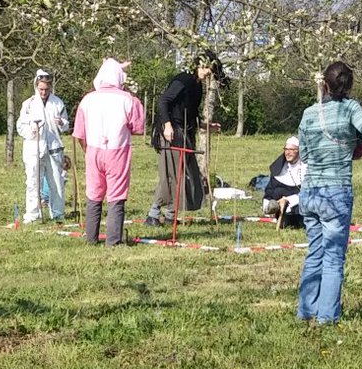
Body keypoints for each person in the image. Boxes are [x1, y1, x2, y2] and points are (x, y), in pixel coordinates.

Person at [295, 61, 362, 326]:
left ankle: (305, 312)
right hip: (336, 192)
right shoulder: (351, 108)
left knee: (314, 252)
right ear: (349, 84)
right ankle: (327, 318)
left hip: (309, 192)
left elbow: (305, 154)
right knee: (333, 258)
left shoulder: (309, 113)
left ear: (325, 84)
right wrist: (359, 144)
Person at [72, 57, 147, 247]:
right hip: (118, 150)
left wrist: (87, 150)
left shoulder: (87, 100)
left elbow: (80, 133)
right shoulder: (128, 100)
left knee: (94, 194)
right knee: (116, 195)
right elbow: (138, 128)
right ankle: (113, 240)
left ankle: (91, 237)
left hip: (93, 150)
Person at [145, 52, 214, 226]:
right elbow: (163, 101)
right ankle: (153, 215)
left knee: (182, 175)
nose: (207, 73)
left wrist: (205, 126)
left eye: (210, 70)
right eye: (205, 68)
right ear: (197, 66)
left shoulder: (197, 87)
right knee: (171, 175)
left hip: (183, 132)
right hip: (170, 133)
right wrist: (167, 126)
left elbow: (190, 114)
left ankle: (170, 215)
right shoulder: (183, 80)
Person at [15, 69, 69, 223]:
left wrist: (62, 123)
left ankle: (58, 213)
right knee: (33, 182)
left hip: (53, 148)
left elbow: (66, 124)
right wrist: (31, 131)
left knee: (57, 182)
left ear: (50, 88)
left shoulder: (58, 103)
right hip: (34, 149)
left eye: (46, 89)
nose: (44, 92)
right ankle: (33, 214)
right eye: (41, 89)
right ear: (36, 87)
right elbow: (20, 126)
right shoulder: (29, 104)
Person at [260, 135, 305, 223]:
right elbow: (269, 192)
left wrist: (289, 200)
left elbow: (308, 193)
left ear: (299, 151)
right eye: (286, 149)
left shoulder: (305, 169)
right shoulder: (279, 169)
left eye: (292, 150)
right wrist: (268, 207)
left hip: (298, 207)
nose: (288, 152)